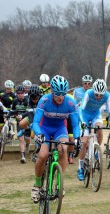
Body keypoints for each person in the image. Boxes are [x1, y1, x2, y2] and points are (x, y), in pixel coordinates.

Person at [31, 75, 80, 203]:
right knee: (43, 155)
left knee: (63, 149)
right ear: (52, 91)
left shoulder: (70, 103)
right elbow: (35, 122)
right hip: (44, 129)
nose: (60, 97)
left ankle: (59, 183)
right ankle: (37, 185)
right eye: (57, 94)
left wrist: (77, 138)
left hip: (59, 129)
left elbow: (75, 125)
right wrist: (39, 134)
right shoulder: (44, 100)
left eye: (63, 94)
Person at [77, 79, 110, 181]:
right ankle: (80, 167)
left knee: (100, 129)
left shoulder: (107, 96)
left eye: (100, 95)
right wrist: (83, 122)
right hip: (84, 115)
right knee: (84, 142)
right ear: (94, 91)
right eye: (97, 94)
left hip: (95, 115)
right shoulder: (89, 93)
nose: (98, 97)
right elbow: (81, 109)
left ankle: (96, 150)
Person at [10, 85, 30, 163]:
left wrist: (22, 116)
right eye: (18, 93)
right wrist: (13, 116)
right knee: (21, 139)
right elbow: (13, 111)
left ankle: (28, 145)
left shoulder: (27, 100)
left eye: (22, 93)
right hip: (18, 122)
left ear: (24, 93)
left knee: (27, 139)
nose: (20, 94)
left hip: (26, 121)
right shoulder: (15, 101)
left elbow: (28, 111)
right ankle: (22, 156)